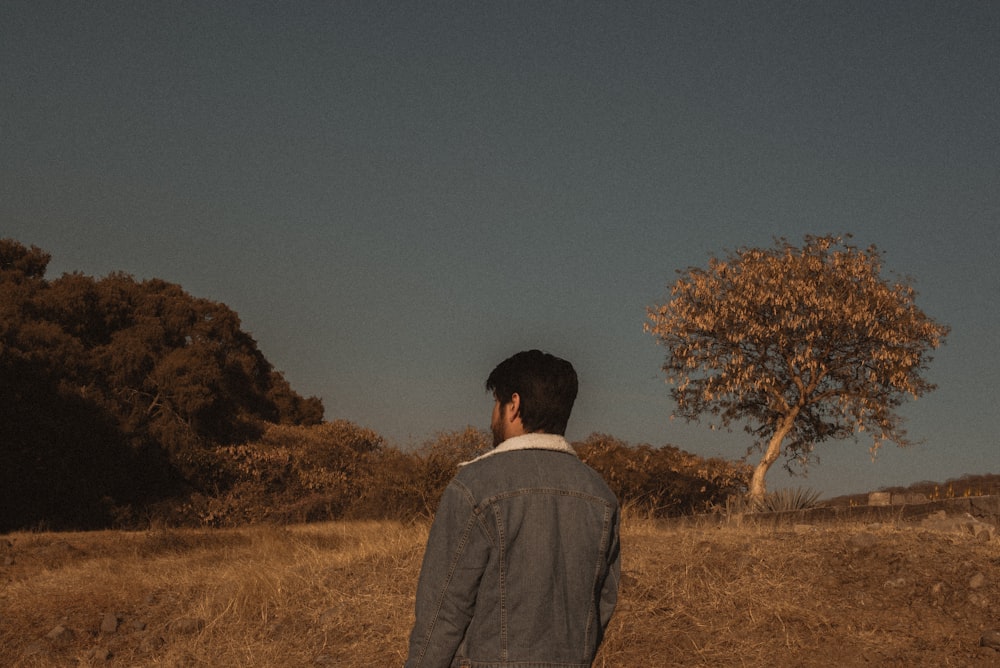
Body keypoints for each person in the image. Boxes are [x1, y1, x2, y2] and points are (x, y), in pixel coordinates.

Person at [405, 350, 621, 668]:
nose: (492, 416)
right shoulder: (601, 496)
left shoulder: (475, 485)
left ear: (514, 405)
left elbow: (442, 614)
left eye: (496, 403)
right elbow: (603, 603)